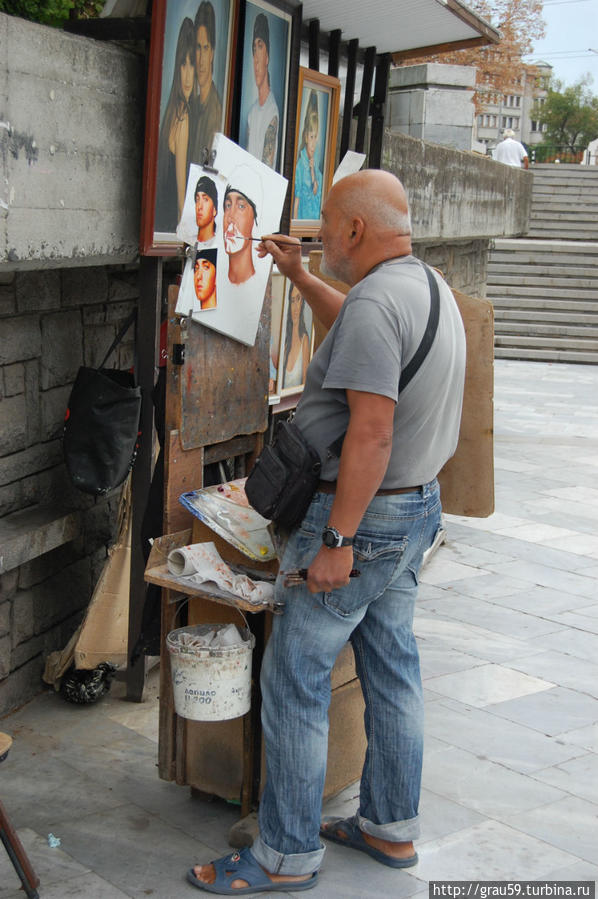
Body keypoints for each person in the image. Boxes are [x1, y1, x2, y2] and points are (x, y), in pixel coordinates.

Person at [187, 168, 466, 894]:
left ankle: (284, 855)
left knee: (295, 676)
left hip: (365, 522)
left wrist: (337, 542)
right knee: (391, 663)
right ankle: (389, 827)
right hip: (415, 510)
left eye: (325, 224)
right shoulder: (423, 287)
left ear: (355, 231)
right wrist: (301, 276)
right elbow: (361, 329)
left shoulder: (379, 305)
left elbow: (371, 434)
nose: (317, 232)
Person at [155, 17, 195, 233]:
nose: (188, 74)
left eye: (192, 65)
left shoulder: (173, 109)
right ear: (177, 67)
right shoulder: (182, 115)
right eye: (183, 64)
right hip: (170, 224)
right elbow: (181, 195)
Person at [188, 2, 223, 168]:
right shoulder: (194, 103)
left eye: (206, 48)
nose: (201, 59)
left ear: (212, 53)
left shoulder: (214, 111)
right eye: (198, 48)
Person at [245, 13, 279, 169]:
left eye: (260, 46)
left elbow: (267, 168)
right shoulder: (252, 112)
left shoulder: (272, 111)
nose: (256, 58)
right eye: (254, 48)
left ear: (267, 57)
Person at [222, 165, 261, 286]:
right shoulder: (216, 283)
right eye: (228, 205)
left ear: (254, 220)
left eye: (241, 206)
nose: (230, 217)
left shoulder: (257, 284)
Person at [293, 91, 322, 220]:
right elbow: (296, 201)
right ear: (305, 137)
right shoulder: (300, 166)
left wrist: (312, 172)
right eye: (311, 137)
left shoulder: (315, 166)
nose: (314, 143)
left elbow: (316, 190)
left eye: (316, 137)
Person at [282, 283, 310, 389]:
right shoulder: (284, 341)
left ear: (303, 302)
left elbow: (305, 381)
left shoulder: (305, 340)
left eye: (299, 299)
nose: (295, 307)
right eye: (293, 301)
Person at [194, 174, 218, 244]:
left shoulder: (219, 246)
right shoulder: (189, 240)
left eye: (205, 199)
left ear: (214, 210)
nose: (199, 207)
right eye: (197, 199)